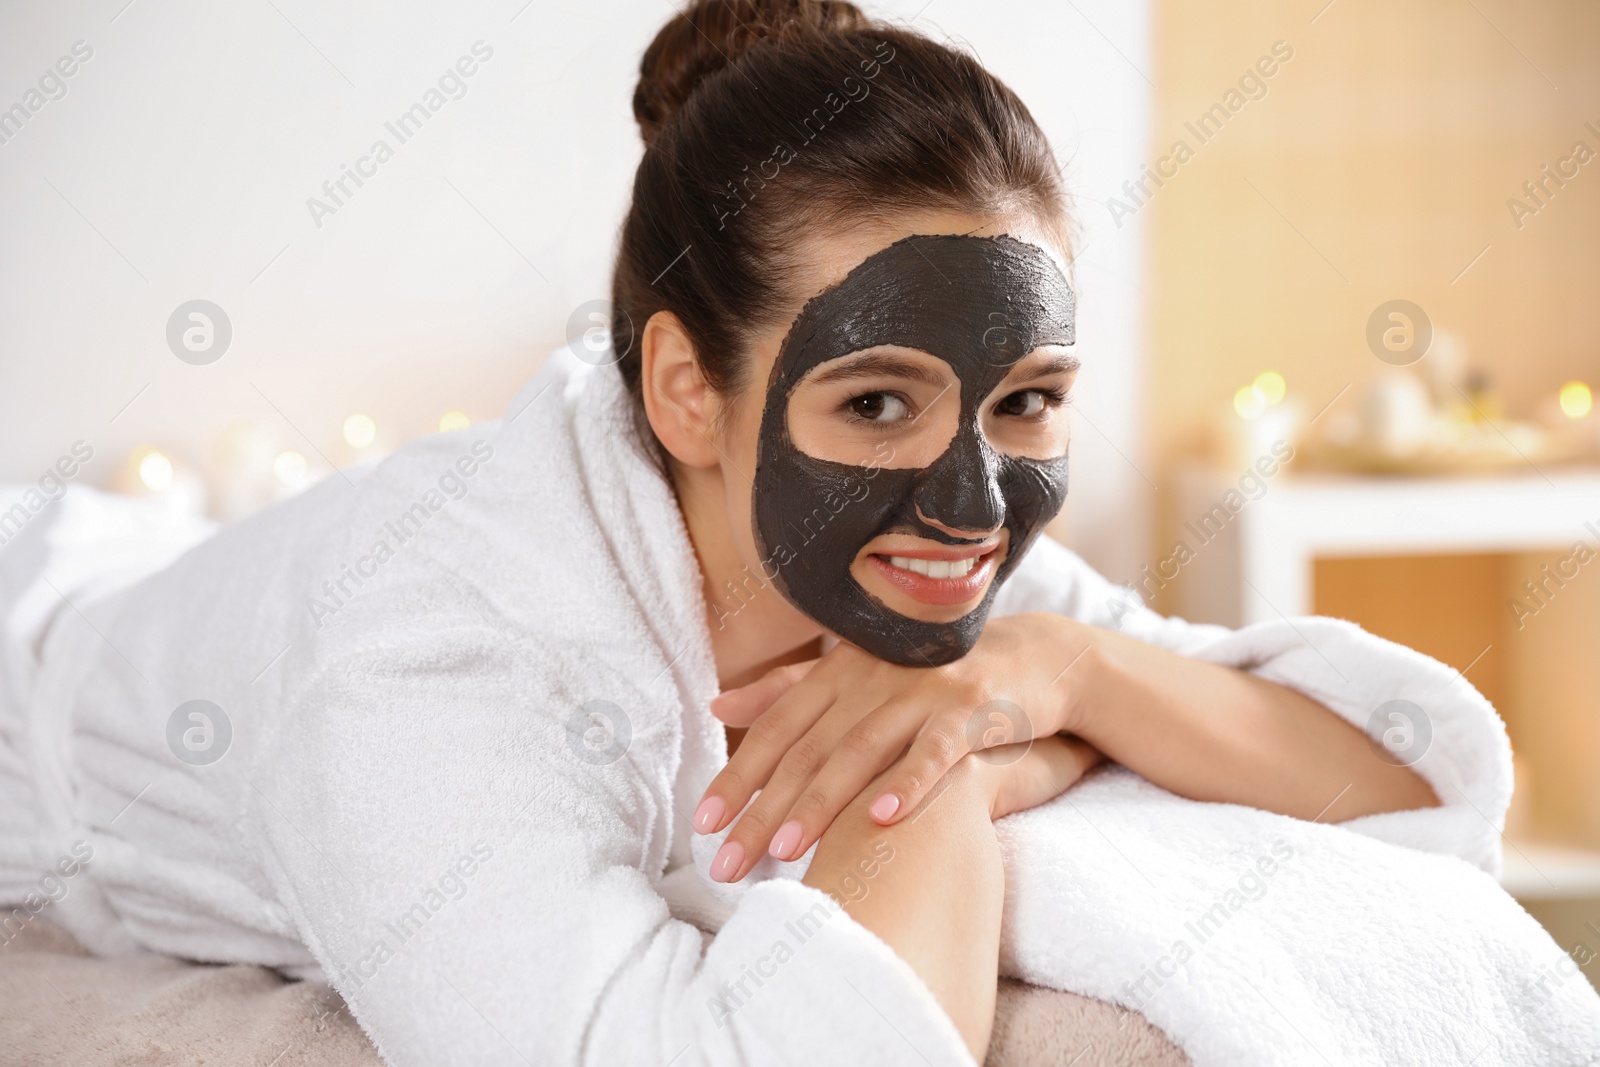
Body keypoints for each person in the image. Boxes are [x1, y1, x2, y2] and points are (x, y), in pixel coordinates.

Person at [0, 2, 1498, 1065]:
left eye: (1030, 400)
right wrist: (962, 780)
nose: (973, 504)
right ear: (685, 390)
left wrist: (1052, 680)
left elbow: (1402, 778)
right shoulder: (422, 659)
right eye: (873, 405)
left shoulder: (942, 556)